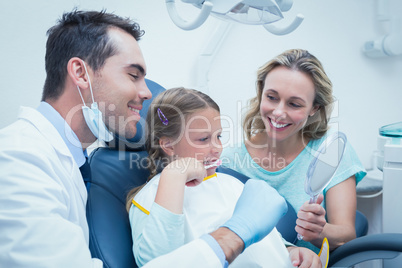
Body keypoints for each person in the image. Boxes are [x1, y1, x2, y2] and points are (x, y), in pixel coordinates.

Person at [0, 9, 313, 268]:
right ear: (81, 74)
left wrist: (286, 249)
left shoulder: (68, 161)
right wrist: (236, 234)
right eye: (133, 75)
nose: (147, 91)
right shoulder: (18, 159)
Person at [127, 87, 322, 267]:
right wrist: (175, 176)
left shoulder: (231, 184)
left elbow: (266, 241)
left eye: (218, 136)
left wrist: (292, 250)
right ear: (168, 146)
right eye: (204, 139)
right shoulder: (151, 199)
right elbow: (157, 262)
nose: (218, 147)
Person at [221, 49, 367, 253]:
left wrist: (319, 231)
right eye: (271, 97)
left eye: (294, 104)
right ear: (261, 93)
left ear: (314, 108)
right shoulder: (229, 162)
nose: (279, 112)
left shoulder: (330, 151)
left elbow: (347, 234)